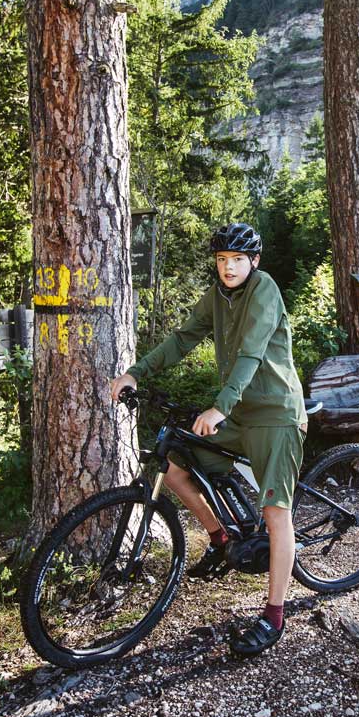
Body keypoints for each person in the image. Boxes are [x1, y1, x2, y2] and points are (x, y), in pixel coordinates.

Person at [110, 222, 307, 656]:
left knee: (276, 514)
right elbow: (184, 338)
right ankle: (221, 540)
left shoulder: (264, 290)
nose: (229, 267)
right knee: (178, 467)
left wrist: (219, 406)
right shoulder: (218, 295)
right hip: (238, 414)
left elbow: (252, 352)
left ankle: (274, 615)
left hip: (275, 414)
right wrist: (135, 372)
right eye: (221, 260)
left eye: (237, 260)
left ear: (253, 262)